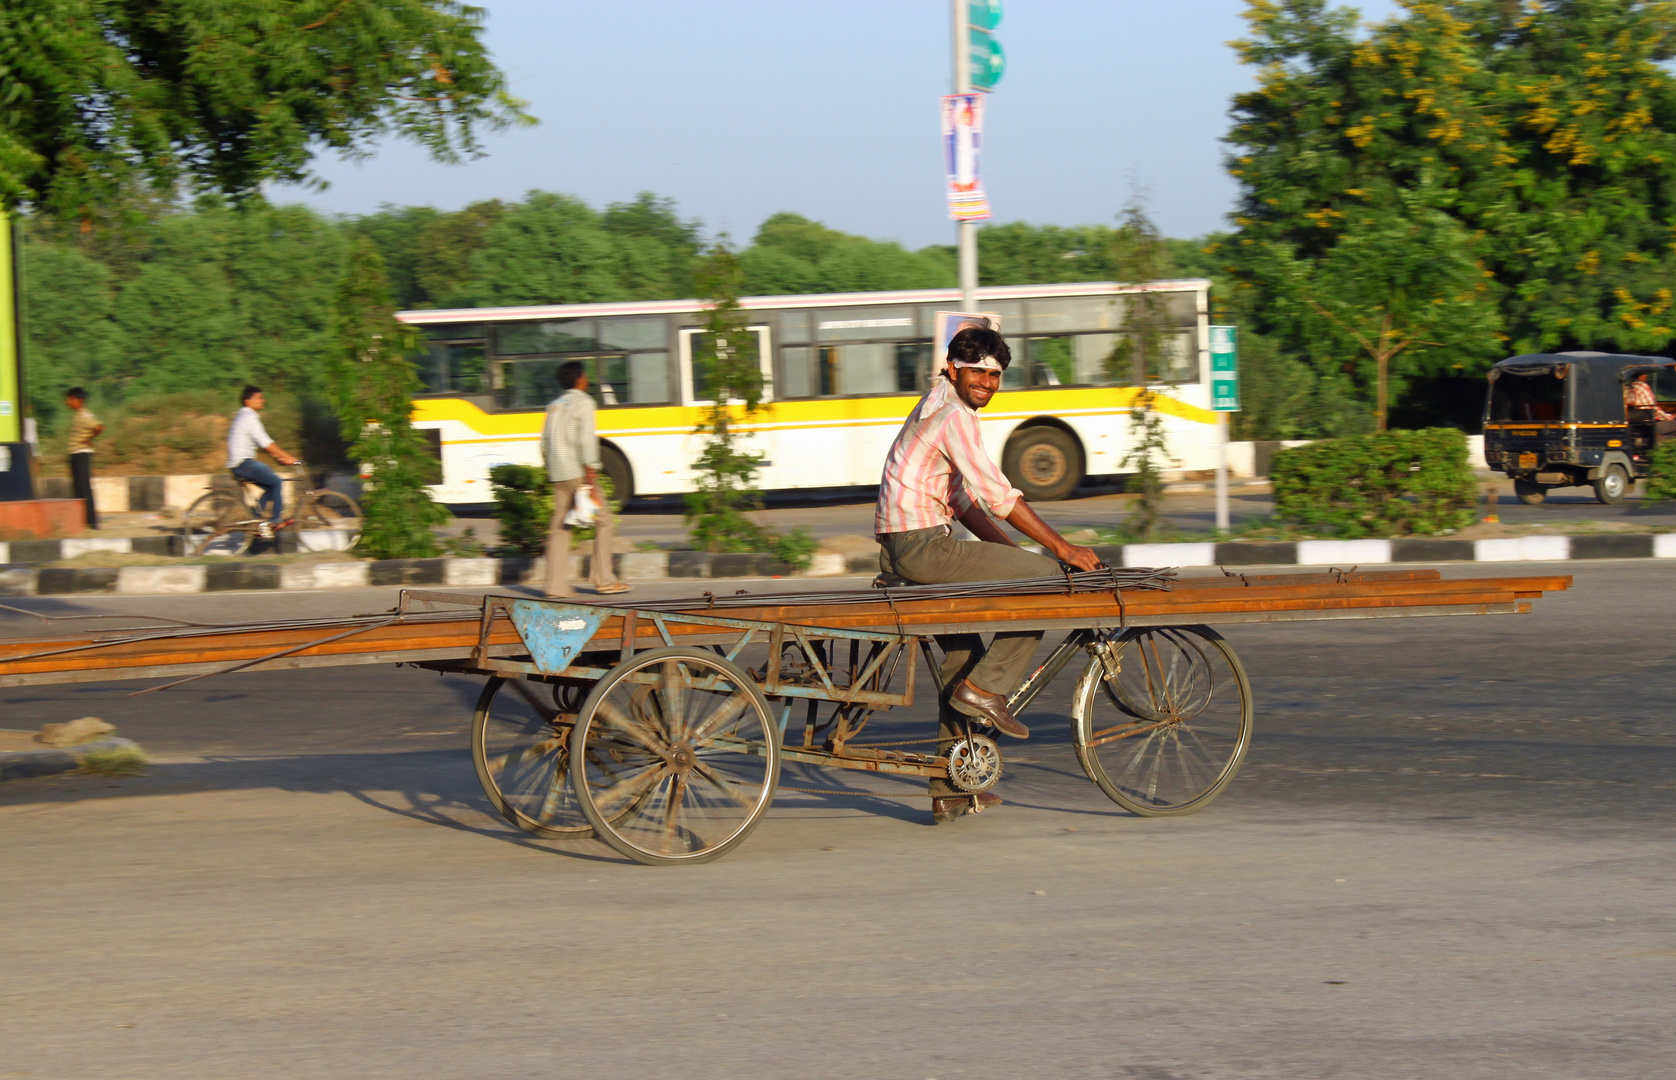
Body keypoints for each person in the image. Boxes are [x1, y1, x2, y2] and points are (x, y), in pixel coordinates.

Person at [875, 326, 1100, 824]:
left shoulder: (934, 402)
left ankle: (949, 789)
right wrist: (1059, 549)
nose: (987, 382)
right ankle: (987, 691)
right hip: (923, 547)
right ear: (952, 368)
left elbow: (962, 501)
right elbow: (998, 496)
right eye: (976, 370)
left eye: (996, 375)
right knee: (1043, 579)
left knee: (965, 662)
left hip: (902, 549)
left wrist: (1010, 550)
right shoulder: (955, 415)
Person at [541, 361, 630, 599]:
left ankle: (555, 586)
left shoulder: (553, 406)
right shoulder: (584, 402)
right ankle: (604, 580)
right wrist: (591, 475)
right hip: (579, 472)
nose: (587, 379)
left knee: (560, 528)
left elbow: (544, 444)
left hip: (559, 473)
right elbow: (586, 441)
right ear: (580, 379)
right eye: (586, 376)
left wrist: (552, 469)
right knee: (604, 521)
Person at [226, 385, 299, 539]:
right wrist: (289, 457)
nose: (263, 400)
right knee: (276, 482)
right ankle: (275, 522)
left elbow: (265, 447)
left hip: (239, 464)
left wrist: (279, 457)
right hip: (243, 464)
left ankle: (254, 518)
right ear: (248, 401)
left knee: (270, 487)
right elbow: (266, 443)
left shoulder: (243, 416)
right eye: (259, 397)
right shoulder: (249, 418)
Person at [64, 387, 103, 529]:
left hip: (82, 453)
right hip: (75, 453)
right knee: (78, 488)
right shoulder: (78, 415)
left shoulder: (85, 415)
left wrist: (89, 439)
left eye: (70, 399)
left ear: (79, 400)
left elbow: (99, 427)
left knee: (84, 487)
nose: (67, 402)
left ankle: (92, 521)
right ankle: (83, 520)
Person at [1624, 372, 1676, 438]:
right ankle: (1663, 444)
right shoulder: (1642, 386)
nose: (1646, 376)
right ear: (1640, 376)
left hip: (1632, 423)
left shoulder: (1626, 387)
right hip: (1647, 424)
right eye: (1645, 374)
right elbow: (1652, 408)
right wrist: (1670, 417)